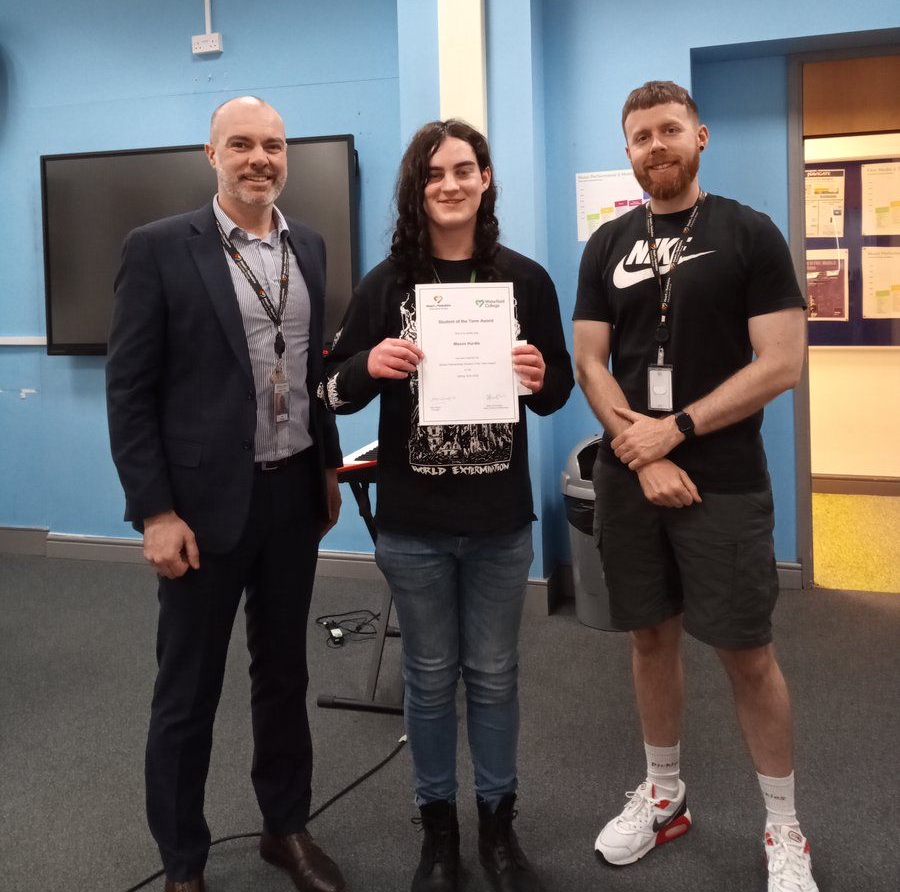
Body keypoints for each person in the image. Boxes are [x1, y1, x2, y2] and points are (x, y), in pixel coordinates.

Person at [573, 81, 817, 892]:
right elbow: (591, 363)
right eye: (640, 136)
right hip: (630, 476)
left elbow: (780, 362)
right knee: (651, 638)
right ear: (629, 149)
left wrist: (673, 432)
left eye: (669, 130)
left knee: (747, 654)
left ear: (700, 136)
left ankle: (784, 827)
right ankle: (665, 797)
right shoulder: (606, 244)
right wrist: (643, 454)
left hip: (724, 482)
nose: (655, 146)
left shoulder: (749, 233)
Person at [319, 120, 573, 892]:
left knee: (494, 676)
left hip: (498, 521)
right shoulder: (387, 284)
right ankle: (438, 834)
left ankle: (498, 831)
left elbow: (558, 388)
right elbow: (328, 388)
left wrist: (535, 374)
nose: (452, 184)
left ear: (487, 180)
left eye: (466, 169)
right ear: (417, 189)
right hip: (415, 524)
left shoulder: (524, 281)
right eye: (435, 174)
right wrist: (368, 361)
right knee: (429, 679)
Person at [106, 96, 345, 892]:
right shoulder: (159, 249)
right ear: (211, 154)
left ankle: (286, 827)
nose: (260, 159)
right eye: (241, 144)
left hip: (290, 501)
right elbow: (130, 392)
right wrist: (155, 511)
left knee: (283, 675)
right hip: (202, 513)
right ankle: (183, 865)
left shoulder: (306, 245)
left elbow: (307, 375)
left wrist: (329, 470)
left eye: (273, 146)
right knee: (188, 692)